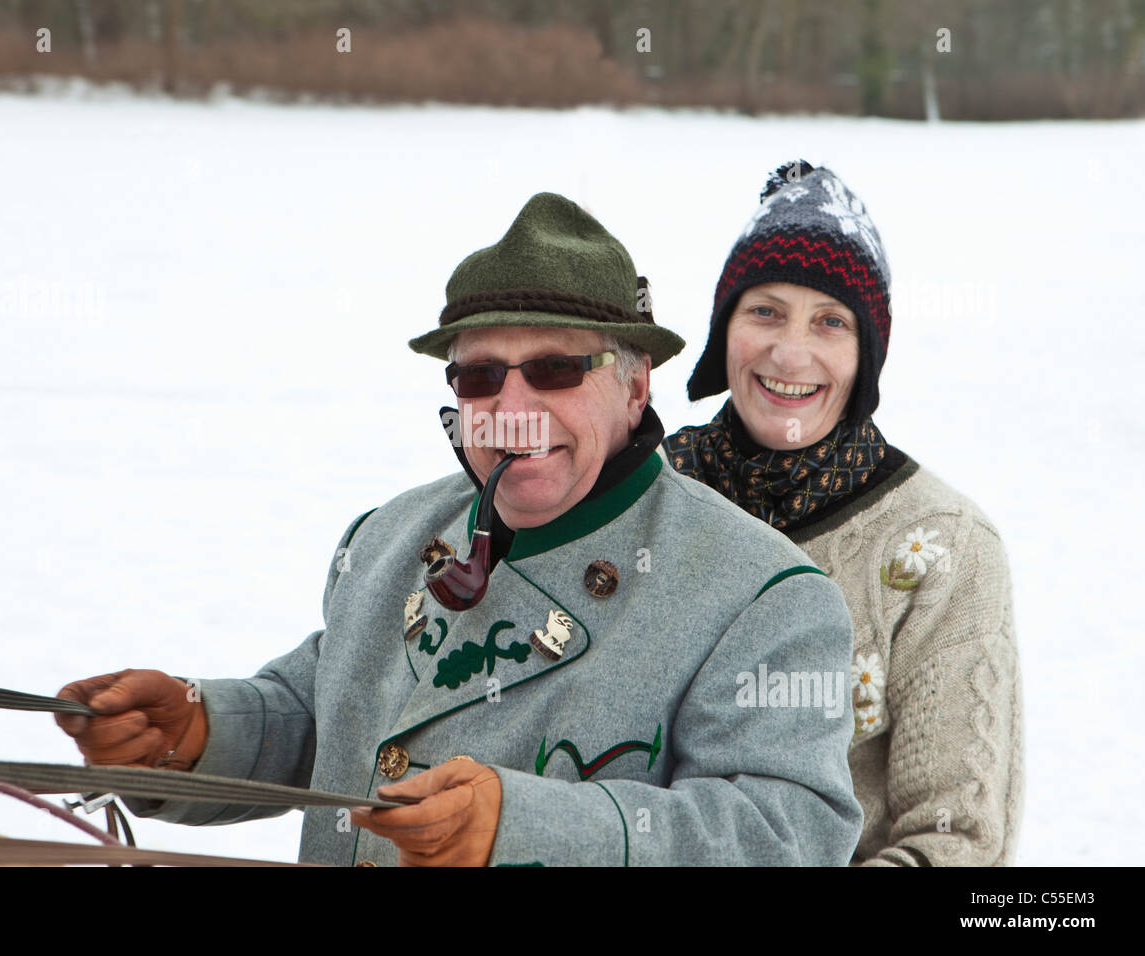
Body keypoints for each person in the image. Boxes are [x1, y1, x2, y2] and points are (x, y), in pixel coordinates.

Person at [56, 192, 863, 866]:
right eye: (481, 377)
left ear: (634, 386)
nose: (512, 413)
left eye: (554, 369)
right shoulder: (390, 536)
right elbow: (328, 712)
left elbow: (787, 835)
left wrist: (521, 828)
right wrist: (194, 732)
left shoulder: (762, 596)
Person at [664, 162, 1023, 866]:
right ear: (723, 331)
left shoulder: (941, 546)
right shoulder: (649, 495)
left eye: (830, 322)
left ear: (866, 357)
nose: (790, 352)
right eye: (764, 310)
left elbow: (955, 841)